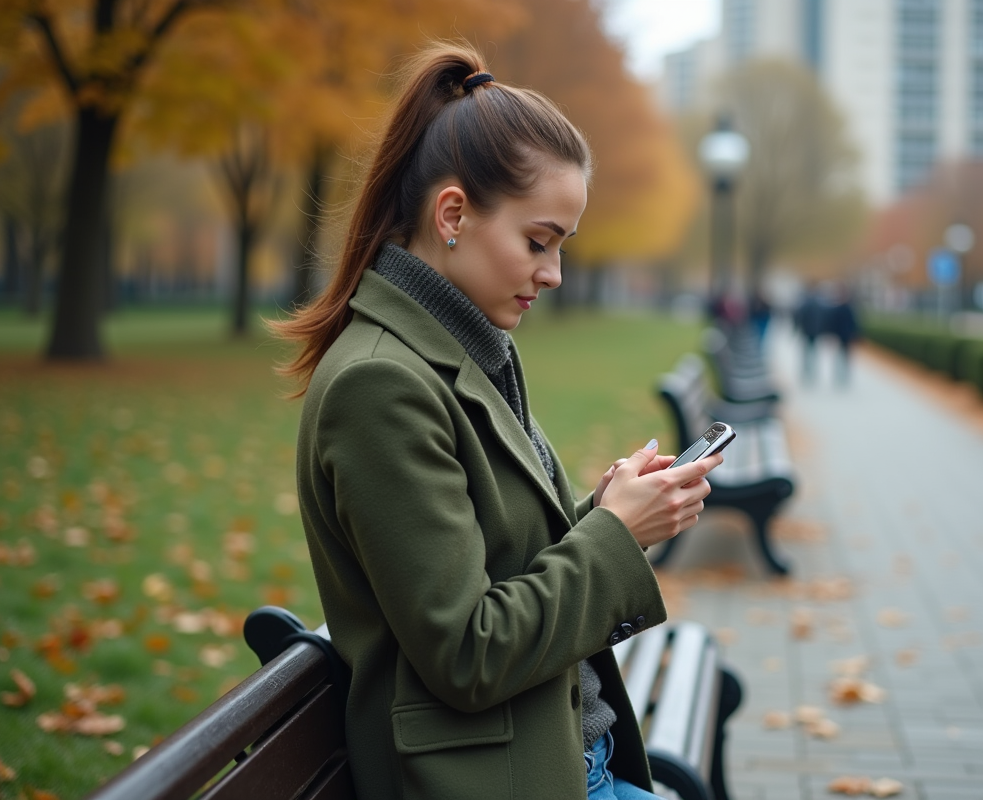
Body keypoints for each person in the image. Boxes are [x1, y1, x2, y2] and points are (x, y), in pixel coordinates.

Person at [270, 44, 721, 800]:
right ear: (453, 214)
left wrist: (603, 513)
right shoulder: (382, 384)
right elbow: (468, 651)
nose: (553, 272)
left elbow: (494, 568)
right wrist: (615, 537)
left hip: (566, 762)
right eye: (537, 241)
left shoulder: (465, 347)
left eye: (561, 247)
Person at [822, 284, 860, 386]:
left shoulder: (847, 308)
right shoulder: (840, 308)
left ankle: (843, 376)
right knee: (840, 357)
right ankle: (840, 376)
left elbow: (854, 323)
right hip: (840, 336)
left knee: (844, 357)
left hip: (845, 336)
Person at [792, 282, 824, 384]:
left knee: (807, 352)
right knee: (812, 352)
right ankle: (811, 372)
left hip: (807, 331)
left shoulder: (805, 303)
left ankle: (807, 372)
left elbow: (798, 318)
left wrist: (796, 330)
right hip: (813, 331)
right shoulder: (818, 303)